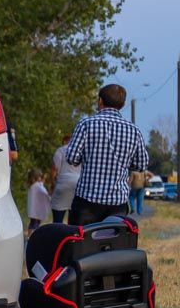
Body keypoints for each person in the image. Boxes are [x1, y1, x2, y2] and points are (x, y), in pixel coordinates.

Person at [64, 83, 149, 225]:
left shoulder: (85, 124)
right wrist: (125, 162)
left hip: (87, 200)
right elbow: (141, 165)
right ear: (122, 104)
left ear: (100, 101)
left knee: (79, 243)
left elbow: (71, 157)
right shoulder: (134, 131)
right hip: (118, 203)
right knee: (113, 244)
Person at [50, 134, 81, 223]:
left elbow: (54, 169)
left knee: (57, 220)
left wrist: (52, 184)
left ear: (64, 141)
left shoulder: (60, 150)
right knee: (74, 221)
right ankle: (72, 235)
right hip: (78, 185)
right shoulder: (81, 151)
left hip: (63, 183)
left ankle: (57, 235)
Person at [26, 169, 49, 234]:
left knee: (33, 223)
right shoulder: (36, 186)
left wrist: (43, 180)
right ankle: (31, 235)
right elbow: (43, 191)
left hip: (34, 209)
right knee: (34, 224)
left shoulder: (33, 185)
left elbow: (41, 186)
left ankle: (30, 235)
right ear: (37, 177)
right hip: (36, 210)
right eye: (40, 176)